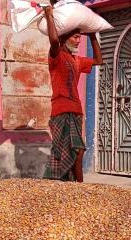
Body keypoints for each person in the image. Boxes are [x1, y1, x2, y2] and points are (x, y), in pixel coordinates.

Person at [42, 5, 103, 182]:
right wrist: (49, 16)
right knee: (72, 150)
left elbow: (99, 60)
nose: (78, 41)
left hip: (76, 111)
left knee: (77, 150)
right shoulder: (56, 56)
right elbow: (54, 42)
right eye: (76, 37)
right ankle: (79, 186)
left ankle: (72, 186)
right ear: (65, 37)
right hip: (60, 110)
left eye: (79, 37)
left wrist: (91, 35)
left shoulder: (77, 60)